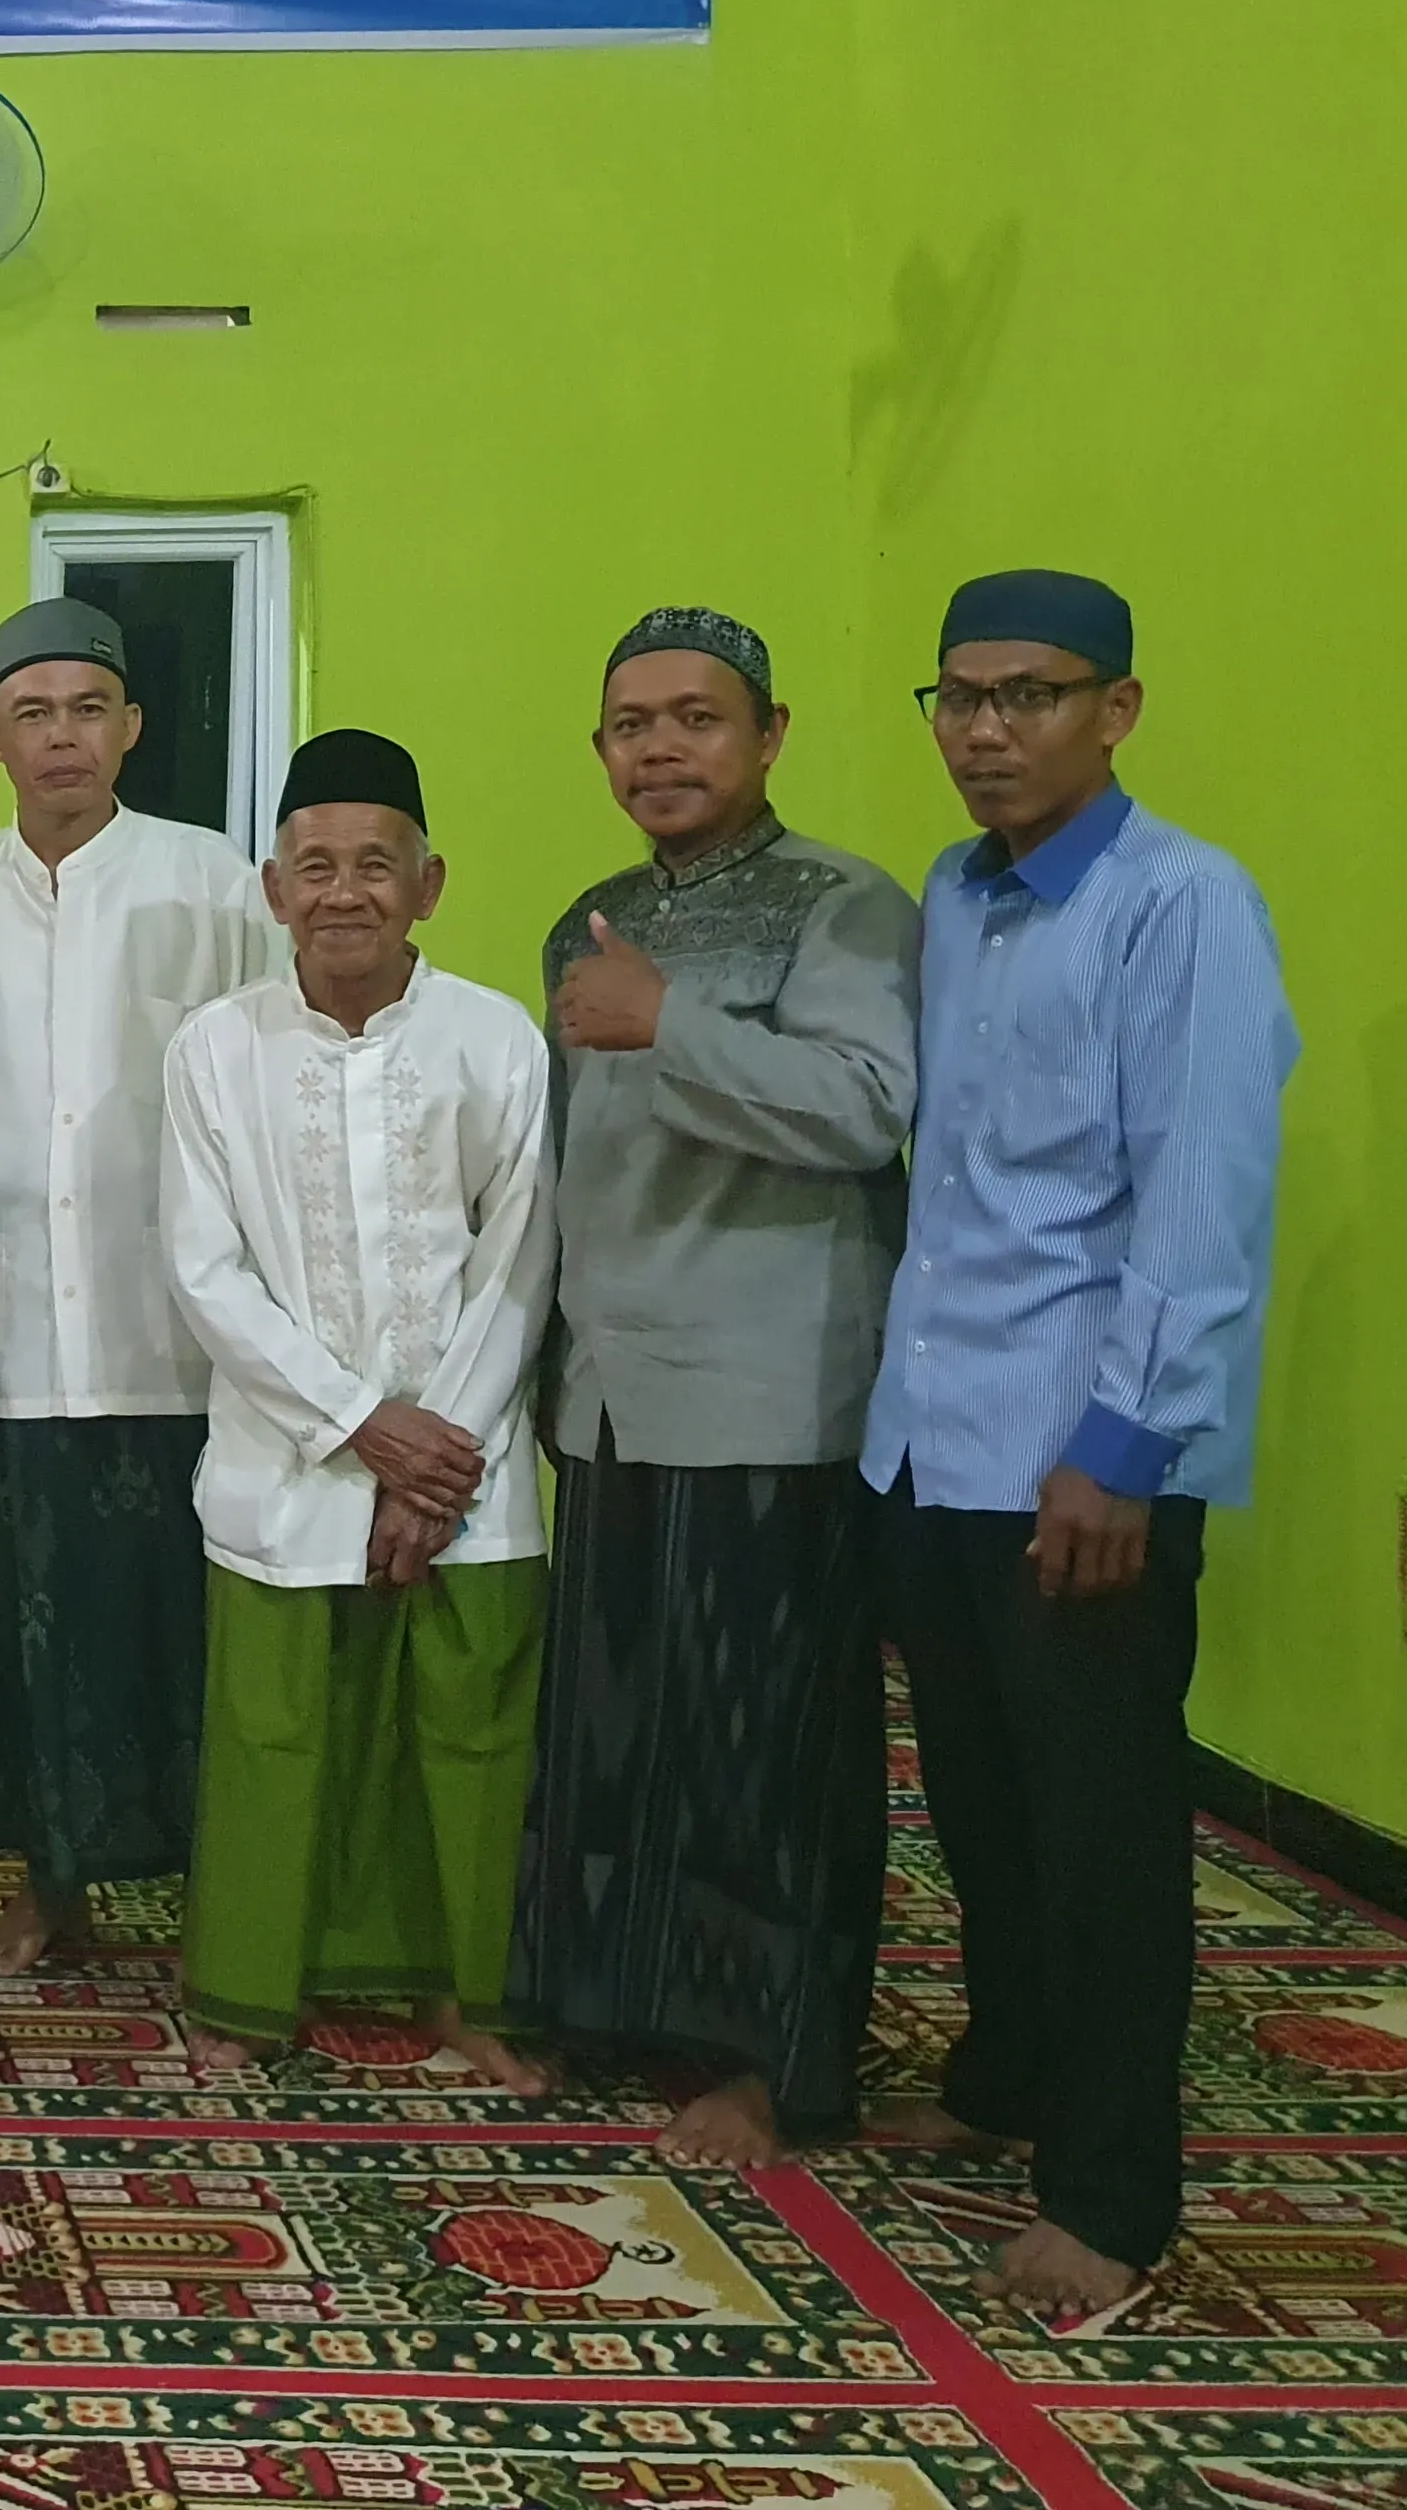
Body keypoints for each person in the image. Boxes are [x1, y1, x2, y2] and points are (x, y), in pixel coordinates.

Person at [860, 569, 1293, 2319]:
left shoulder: (1183, 907)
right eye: (960, 696)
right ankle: (1008, 2080)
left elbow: (1199, 1202)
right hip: (936, 1444)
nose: (987, 730)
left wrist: (1122, 1446)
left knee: (1103, 1829)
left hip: (1083, 1458)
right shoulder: (958, 901)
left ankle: (1114, 2196)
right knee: (978, 1805)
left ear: (1115, 709)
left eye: (1029, 695)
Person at [507, 610, 919, 2166]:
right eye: (631, 724)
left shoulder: (845, 909)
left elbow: (867, 1112)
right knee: (622, 1722)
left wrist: (672, 1022)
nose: (661, 749)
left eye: (697, 719)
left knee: (768, 1743)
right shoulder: (592, 917)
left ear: (771, 735)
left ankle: (773, 2062)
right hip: (610, 1391)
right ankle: (619, 2005)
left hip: (769, 1388)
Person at [160, 729, 553, 2086]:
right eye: (314, 866)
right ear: (272, 890)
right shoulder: (216, 1048)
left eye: (374, 866)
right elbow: (206, 1270)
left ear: (429, 883)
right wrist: (359, 1427)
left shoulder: (496, 1038)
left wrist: (435, 1454)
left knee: (472, 1729)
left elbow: (522, 1259)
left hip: (468, 1461)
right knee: (274, 1732)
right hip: (287, 1457)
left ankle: (476, 1999)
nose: (344, 894)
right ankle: (249, 1998)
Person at [0, 600, 277, 1976]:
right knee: (30, 1632)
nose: (62, 737)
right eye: (34, 712)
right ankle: (51, 1890)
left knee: (187, 1628)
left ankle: (216, 1898)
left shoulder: (217, 885)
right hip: (13, 1325)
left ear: (130, 726)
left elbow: (266, 1084)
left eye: (88, 709)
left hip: (180, 1332)